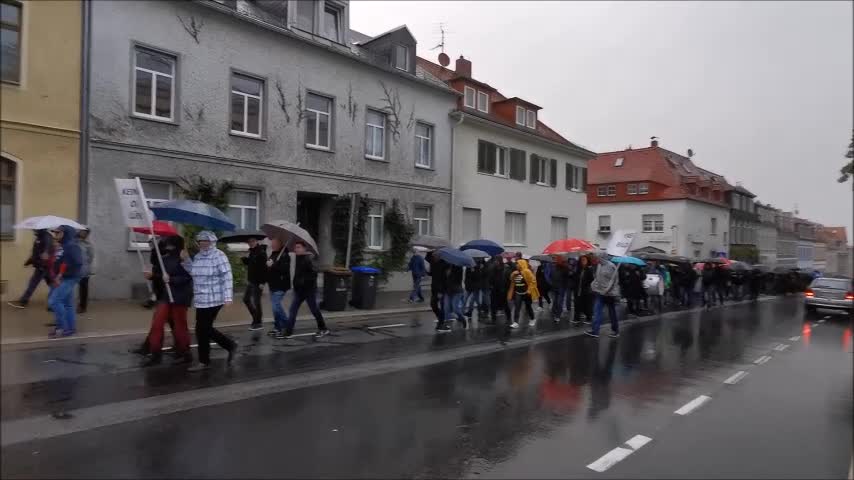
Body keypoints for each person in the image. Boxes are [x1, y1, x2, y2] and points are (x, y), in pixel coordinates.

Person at [185, 231, 237, 372]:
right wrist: (185, 260)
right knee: (202, 329)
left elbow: (227, 276)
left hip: (215, 298)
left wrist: (228, 297)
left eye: (206, 241)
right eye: (200, 241)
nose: (203, 243)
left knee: (203, 329)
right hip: (201, 299)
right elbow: (194, 272)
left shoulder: (219, 256)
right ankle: (228, 346)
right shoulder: (198, 256)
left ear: (212, 241)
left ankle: (205, 360)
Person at [141, 235, 193, 367]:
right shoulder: (164, 259)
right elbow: (161, 276)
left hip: (180, 297)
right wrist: (153, 276)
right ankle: (155, 354)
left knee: (180, 326)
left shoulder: (185, 259)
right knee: (157, 324)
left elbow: (189, 277)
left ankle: (185, 353)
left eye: (170, 245)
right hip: (166, 296)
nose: (168, 247)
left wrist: (171, 279)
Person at [285, 241, 329, 338]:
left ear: (304, 249)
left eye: (299, 247)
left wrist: (303, 281)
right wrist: (296, 284)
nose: (296, 249)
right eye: (295, 247)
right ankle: (288, 331)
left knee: (314, 310)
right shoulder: (297, 258)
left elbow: (314, 274)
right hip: (299, 290)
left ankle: (323, 328)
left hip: (309, 290)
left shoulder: (309, 259)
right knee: (293, 309)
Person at [47, 226, 83, 338]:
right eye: (54, 232)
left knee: (54, 301)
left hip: (69, 278)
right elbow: (59, 262)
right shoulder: (63, 246)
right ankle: (69, 328)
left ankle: (63, 327)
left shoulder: (71, 246)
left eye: (58, 232)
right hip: (64, 277)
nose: (55, 235)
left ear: (65, 233)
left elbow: (78, 262)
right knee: (67, 304)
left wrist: (62, 275)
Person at [7, 229, 54, 309]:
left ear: (41, 228)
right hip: (41, 265)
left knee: (33, 283)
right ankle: (55, 301)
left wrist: (45, 255)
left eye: (35, 229)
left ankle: (23, 301)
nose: (33, 230)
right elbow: (36, 252)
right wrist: (30, 260)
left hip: (42, 266)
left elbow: (47, 249)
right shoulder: (39, 237)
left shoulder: (46, 237)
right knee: (52, 284)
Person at [585, 254, 621, 338]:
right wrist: (593, 284)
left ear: (599, 257)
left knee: (612, 313)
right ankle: (595, 330)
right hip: (600, 293)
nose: (593, 260)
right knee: (597, 311)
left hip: (610, 294)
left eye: (595, 258)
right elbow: (598, 278)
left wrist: (608, 290)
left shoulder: (611, 266)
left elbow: (614, 281)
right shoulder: (599, 265)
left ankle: (615, 330)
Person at [266, 237, 291, 338]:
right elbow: (271, 268)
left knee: (276, 306)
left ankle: (286, 326)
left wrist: (273, 265)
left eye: (274, 243)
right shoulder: (273, 253)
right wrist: (268, 265)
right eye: (272, 243)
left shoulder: (285, 255)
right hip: (273, 284)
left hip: (281, 285)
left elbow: (284, 270)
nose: (272, 245)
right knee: (274, 308)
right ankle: (277, 327)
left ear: (280, 244)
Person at [241, 237, 267, 331]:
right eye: (249, 241)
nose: (250, 243)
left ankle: (257, 323)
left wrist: (262, 282)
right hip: (251, 281)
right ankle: (256, 319)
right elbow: (252, 264)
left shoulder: (261, 252)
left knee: (256, 302)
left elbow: (264, 269)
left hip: (258, 282)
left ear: (256, 241)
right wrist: (245, 259)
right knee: (246, 299)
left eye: (252, 241)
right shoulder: (252, 251)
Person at [507, 259, 539, 328]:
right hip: (518, 292)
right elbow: (512, 281)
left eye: (518, 264)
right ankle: (516, 322)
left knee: (528, 307)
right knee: (517, 307)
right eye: (516, 264)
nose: (516, 265)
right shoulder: (515, 272)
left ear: (522, 264)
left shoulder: (527, 271)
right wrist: (512, 275)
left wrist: (529, 290)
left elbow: (533, 281)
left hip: (526, 293)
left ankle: (532, 319)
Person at [438, 262, 465, 333]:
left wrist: (451, 273)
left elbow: (458, 279)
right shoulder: (445, 267)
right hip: (447, 291)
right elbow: (442, 280)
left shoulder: (458, 267)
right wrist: (440, 291)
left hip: (456, 290)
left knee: (455, 308)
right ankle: (445, 325)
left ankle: (462, 318)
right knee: (446, 309)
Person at [487, 255, 510, 325]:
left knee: (505, 305)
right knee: (493, 305)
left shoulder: (505, 268)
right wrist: (490, 285)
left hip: (502, 290)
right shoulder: (493, 268)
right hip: (494, 289)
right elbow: (490, 278)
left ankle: (509, 318)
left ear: (499, 260)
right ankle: (493, 319)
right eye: (495, 261)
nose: (495, 262)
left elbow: (508, 280)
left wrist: (506, 288)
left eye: (496, 260)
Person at [77, 227, 95, 314]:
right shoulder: (75, 241)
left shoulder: (88, 244)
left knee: (83, 289)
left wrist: (86, 266)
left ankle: (82, 306)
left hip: (84, 269)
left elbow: (91, 257)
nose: (83, 233)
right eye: (82, 231)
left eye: (85, 232)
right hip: (75, 269)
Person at [573, 255, 595, 325]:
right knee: (577, 304)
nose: (583, 261)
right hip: (578, 290)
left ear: (587, 261)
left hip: (586, 290)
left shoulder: (589, 269)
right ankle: (577, 318)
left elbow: (592, 280)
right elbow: (575, 279)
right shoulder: (578, 269)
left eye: (584, 260)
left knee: (587, 305)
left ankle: (589, 318)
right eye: (582, 260)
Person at [427, 251, 446, 324]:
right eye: (433, 256)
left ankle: (441, 322)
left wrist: (441, 291)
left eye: (434, 256)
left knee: (442, 306)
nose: (433, 258)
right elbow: (431, 273)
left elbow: (444, 279)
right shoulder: (433, 263)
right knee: (433, 305)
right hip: (434, 288)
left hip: (441, 289)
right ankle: (440, 319)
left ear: (439, 257)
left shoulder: (444, 265)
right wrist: (427, 271)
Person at [549, 256, 570, 321]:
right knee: (555, 301)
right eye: (557, 260)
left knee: (559, 301)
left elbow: (567, 277)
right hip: (555, 286)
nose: (557, 261)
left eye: (559, 260)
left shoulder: (565, 268)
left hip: (561, 287)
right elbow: (551, 276)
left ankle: (558, 315)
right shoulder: (554, 267)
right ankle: (554, 311)